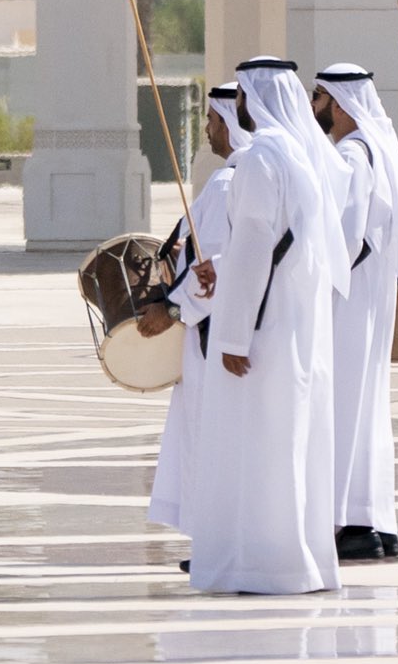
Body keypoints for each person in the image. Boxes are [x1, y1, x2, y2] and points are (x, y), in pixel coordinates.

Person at [185, 58, 343, 595]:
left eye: (245, 95)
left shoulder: (259, 161)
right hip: (294, 322)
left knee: (256, 442)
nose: (241, 105)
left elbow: (256, 246)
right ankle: (291, 560)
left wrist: (230, 336)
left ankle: (259, 564)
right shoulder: (299, 155)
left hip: (264, 327)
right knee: (288, 442)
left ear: (255, 97)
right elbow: (282, 246)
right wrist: (222, 269)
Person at [312, 64, 398, 560]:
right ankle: (376, 518)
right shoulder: (379, 148)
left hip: (349, 293)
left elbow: (346, 234)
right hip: (370, 293)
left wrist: (315, 281)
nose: (316, 109)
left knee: (346, 404)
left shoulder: (353, 154)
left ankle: (353, 522)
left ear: (339, 103)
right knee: (368, 406)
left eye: (320, 99)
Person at [143, 82, 245, 538]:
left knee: (212, 437)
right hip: (211, 331)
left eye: (212, 120)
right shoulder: (229, 179)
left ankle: (216, 538)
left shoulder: (227, 184)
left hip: (212, 333)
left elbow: (218, 270)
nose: (206, 130)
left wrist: (172, 310)